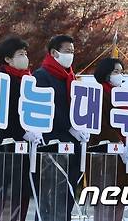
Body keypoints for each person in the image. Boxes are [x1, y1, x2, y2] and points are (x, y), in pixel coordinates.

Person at [32, 34, 80, 221]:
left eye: (73, 52)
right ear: (54, 52)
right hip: (50, 144)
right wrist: (70, 126)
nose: (71, 55)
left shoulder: (71, 77)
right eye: (67, 51)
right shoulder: (41, 76)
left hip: (71, 146)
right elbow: (48, 109)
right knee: (48, 198)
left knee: (65, 198)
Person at [0, 35, 39, 221]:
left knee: (23, 195)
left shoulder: (29, 80)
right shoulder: (1, 80)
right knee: (8, 197)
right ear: (7, 59)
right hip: (9, 147)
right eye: (20, 54)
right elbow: (5, 115)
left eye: (25, 53)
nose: (25, 57)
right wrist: (22, 133)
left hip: (28, 148)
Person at [88, 57, 128, 221]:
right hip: (105, 155)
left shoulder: (124, 95)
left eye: (122, 72)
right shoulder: (98, 93)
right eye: (116, 71)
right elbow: (100, 125)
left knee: (120, 199)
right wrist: (118, 142)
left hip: (125, 156)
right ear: (106, 73)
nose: (120, 75)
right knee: (105, 199)